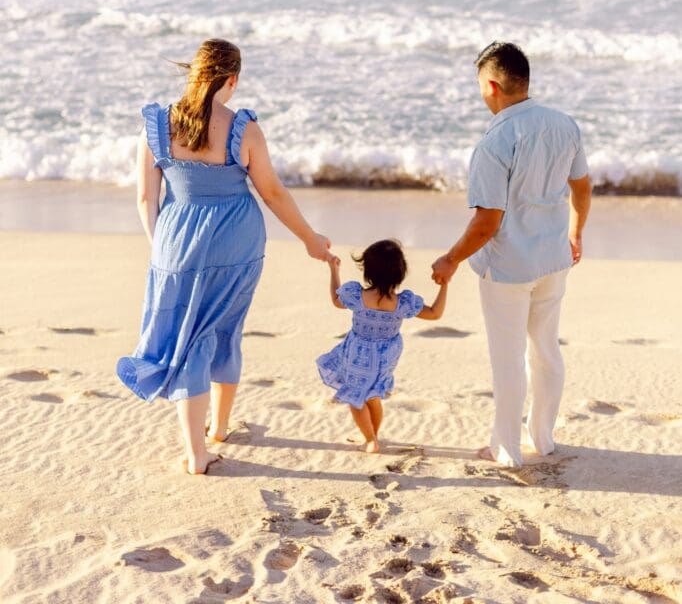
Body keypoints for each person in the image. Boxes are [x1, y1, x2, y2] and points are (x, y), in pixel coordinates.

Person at [117, 38, 338, 475]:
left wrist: (163, 247)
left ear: (194, 73)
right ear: (232, 80)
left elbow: (146, 198)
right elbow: (272, 193)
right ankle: (215, 431)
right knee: (224, 331)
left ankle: (198, 447)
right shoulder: (243, 128)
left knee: (190, 341)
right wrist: (310, 238)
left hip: (177, 244)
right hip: (238, 243)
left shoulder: (157, 125)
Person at [432, 41, 591, 467]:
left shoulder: (495, 141)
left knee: (508, 359)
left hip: (508, 268)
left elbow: (488, 221)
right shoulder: (564, 124)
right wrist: (576, 233)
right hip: (554, 258)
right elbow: (582, 186)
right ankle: (543, 438)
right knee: (546, 350)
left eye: (480, 87)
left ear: (493, 85)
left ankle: (505, 448)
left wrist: (450, 259)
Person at [318, 239, 448, 454]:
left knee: (356, 398)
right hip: (385, 358)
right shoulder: (403, 303)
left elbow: (335, 299)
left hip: (358, 355)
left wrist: (334, 269)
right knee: (372, 396)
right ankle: (373, 436)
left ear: (367, 270)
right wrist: (445, 285)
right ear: (400, 273)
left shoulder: (357, 296)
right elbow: (435, 313)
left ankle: (370, 440)